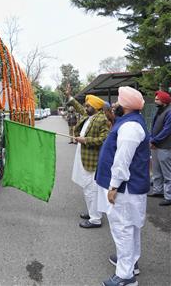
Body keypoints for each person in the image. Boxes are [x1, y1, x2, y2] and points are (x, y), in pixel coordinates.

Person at [96, 86, 150, 286]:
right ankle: (130, 262)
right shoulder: (129, 122)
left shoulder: (129, 127)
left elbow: (122, 160)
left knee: (123, 229)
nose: (115, 105)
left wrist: (113, 186)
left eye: (118, 101)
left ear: (125, 106)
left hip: (125, 189)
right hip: (130, 188)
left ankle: (125, 276)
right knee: (131, 227)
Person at [66, 86, 109, 228]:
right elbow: (78, 107)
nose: (85, 107)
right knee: (87, 188)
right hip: (84, 158)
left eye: (88, 106)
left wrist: (86, 140)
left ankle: (95, 219)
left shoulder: (101, 119)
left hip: (92, 161)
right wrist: (70, 96)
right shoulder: (90, 115)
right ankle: (92, 213)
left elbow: (104, 139)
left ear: (95, 107)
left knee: (92, 189)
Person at [148, 90, 171, 206]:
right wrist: (152, 139)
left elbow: (167, 130)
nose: (155, 100)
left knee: (167, 173)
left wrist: (154, 140)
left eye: (157, 99)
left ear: (164, 101)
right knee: (156, 170)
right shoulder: (159, 111)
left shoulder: (169, 112)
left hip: (165, 147)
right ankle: (158, 190)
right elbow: (153, 127)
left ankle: (169, 196)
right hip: (156, 145)